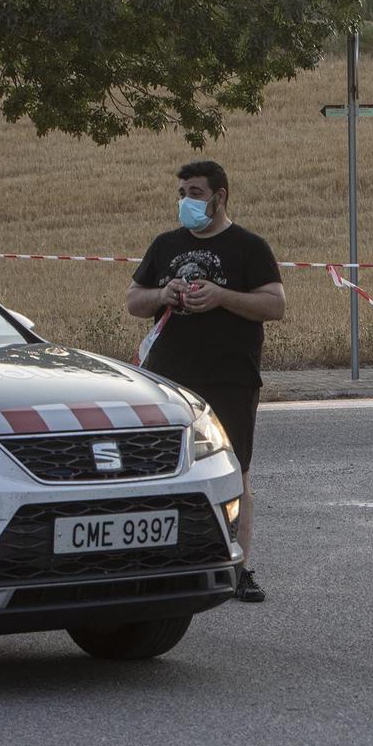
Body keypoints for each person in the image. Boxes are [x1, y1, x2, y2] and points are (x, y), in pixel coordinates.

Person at [125, 160, 285, 603]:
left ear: (221, 197)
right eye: (181, 193)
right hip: (168, 380)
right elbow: (134, 300)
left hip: (230, 378)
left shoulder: (249, 247)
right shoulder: (164, 245)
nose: (186, 202)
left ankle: (239, 569)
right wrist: (163, 294)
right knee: (158, 471)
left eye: (195, 193)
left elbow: (275, 304)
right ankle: (156, 564)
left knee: (235, 471)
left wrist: (221, 296)